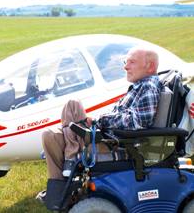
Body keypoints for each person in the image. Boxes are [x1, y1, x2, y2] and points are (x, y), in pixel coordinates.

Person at [42, 47, 162, 181]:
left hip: (114, 144)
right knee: (50, 135)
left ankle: (71, 154)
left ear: (150, 67)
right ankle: (58, 189)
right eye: (125, 62)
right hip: (104, 138)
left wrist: (100, 120)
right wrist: (96, 121)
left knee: (73, 104)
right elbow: (122, 116)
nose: (126, 67)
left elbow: (139, 121)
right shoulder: (139, 86)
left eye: (132, 62)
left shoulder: (148, 87)